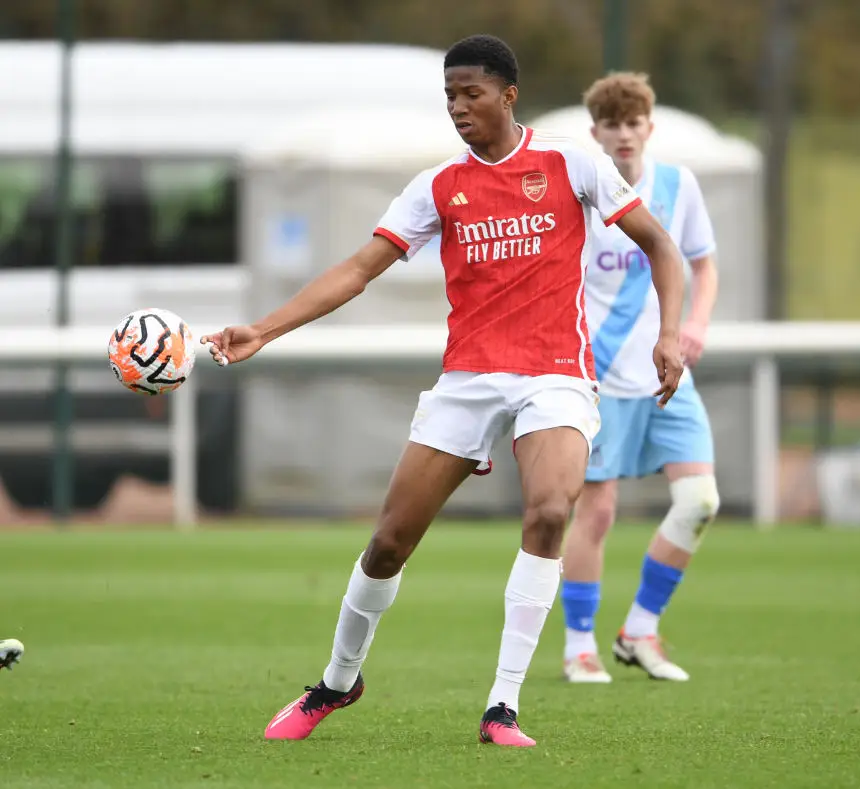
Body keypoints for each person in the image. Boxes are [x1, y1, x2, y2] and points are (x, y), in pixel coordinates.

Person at [201, 36, 688, 747]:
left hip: (555, 371)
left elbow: (662, 247)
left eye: (472, 93)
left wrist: (669, 334)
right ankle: (338, 679)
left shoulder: (571, 164)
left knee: (551, 509)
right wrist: (265, 330)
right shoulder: (437, 186)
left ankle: (502, 706)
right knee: (390, 541)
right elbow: (358, 269)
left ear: (507, 95)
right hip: (468, 379)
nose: (459, 107)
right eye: (450, 96)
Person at [559, 72, 721, 684]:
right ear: (594, 131)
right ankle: (580, 645)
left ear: (649, 127)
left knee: (700, 500)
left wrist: (694, 325)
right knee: (596, 514)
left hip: (668, 370)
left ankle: (640, 630)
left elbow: (703, 266)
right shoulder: (583, 190)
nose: (624, 134)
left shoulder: (679, 187)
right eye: (612, 124)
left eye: (634, 123)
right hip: (597, 374)